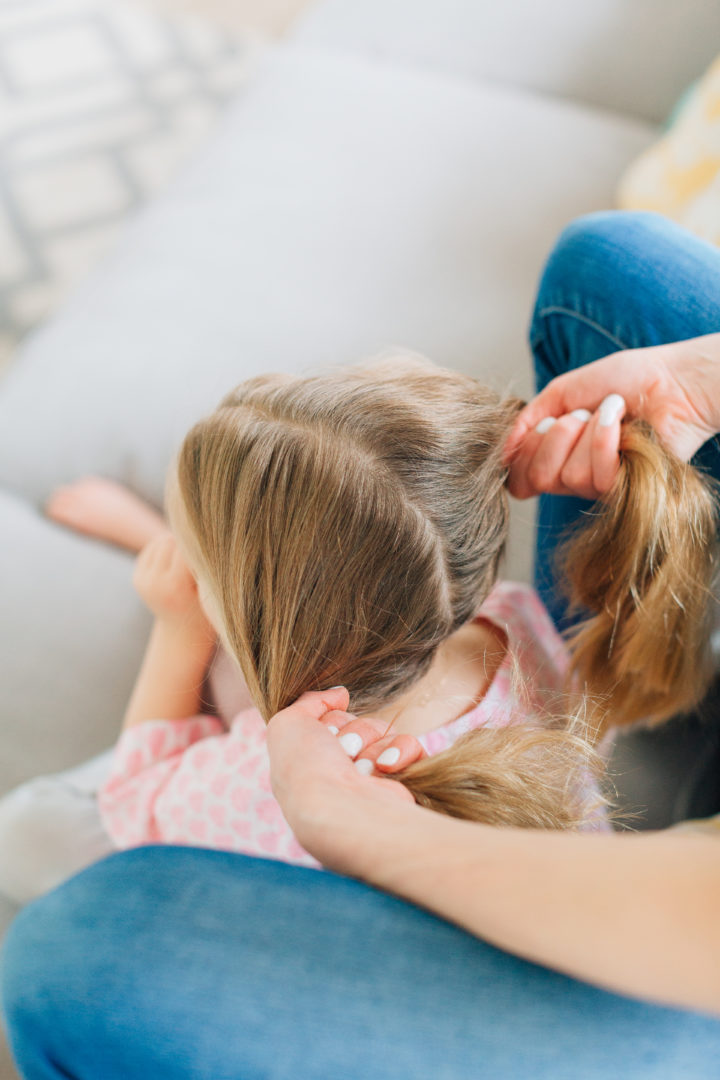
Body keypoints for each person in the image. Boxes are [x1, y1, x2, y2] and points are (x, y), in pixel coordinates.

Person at [4, 210, 720, 1080]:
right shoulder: (510, 634)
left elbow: (137, 797)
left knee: (35, 830)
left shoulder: (253, 785)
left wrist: (177, 625)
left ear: (255, 610)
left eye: (203, 573)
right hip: (580, 899)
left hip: (455, 949)